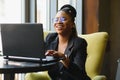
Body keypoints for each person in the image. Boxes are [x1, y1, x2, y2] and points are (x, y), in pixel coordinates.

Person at [45, 4, 91, 80]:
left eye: (63, 19)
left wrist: (63, 58)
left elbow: (79, 73)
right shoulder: (50, 38)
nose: (59, 22)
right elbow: (40, 57)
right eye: (56, 19)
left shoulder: (79, 43)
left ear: (72, 24)